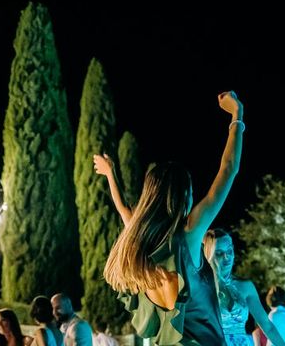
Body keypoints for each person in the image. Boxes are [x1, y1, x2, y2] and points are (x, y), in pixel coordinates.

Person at [100, 91, 245, 345]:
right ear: (185, 195)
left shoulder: (139, 247)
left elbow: (124, 210)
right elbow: (228, 168)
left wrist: (111, 175)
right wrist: (237, 115)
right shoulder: (188, 235)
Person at [203, 229, 285, 346]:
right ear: (209, 255)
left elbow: (267, 326)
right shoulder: (202, 287)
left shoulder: (245, 286)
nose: (227, 257)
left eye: (229, 251)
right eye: (219, 253)